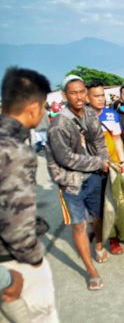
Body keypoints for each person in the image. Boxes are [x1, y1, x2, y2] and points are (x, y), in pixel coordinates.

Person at [0, 67, 59, 321]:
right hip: (13, 262)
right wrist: (34, 261)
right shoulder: (15, 152)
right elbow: (17, 227)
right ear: (34, 107)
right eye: (45, 106)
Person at [46, 74, 109, 291]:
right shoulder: (59, 124)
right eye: (73, 93)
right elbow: (66, 159)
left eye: (82, 91)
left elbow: (100, 141)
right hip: (69, 182)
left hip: (93, 177)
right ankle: (90, 269)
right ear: (65, 96)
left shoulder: (91, 114)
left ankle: (99, 245)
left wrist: (105, 161)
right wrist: (98, 162)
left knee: (99, 217)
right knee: (79, 224)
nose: (79, 96)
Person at [86, 80, 124, 256]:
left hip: (112, 168)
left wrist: (122, 161)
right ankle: (98, 237)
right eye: (96, 96)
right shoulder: (81, 118)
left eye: (102, 96)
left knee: (113, 204)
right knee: (96, 208)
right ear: (87, 98)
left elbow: (117, 139)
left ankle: (113, 239)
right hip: (91, 170)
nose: (101, 99)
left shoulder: (111, 115)